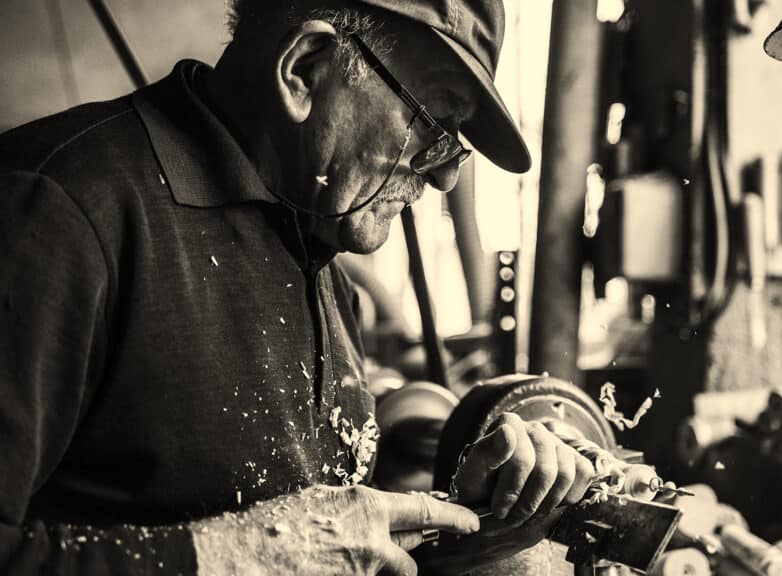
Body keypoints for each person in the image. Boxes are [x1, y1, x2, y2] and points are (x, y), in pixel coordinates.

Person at [0, 0, 596, 573]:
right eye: (434, 121)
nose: (444, 174)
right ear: (305, 68)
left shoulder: (324, 265)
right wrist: (224, 556)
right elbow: (279, 549)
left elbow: (326, 550)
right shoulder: (57, 214)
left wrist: (474, 525)